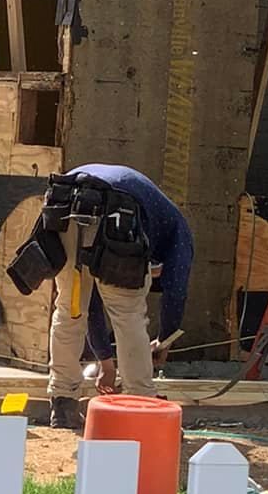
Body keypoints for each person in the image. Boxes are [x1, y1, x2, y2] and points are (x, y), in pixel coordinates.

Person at [45, 164, 193, 430]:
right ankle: (141, 404)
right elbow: (177, 289)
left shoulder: (156, 214)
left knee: (70, 308)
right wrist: (166, 340)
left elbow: (89, 303)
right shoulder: (178, 230)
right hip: (118, 213)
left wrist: (106, 361)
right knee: (128, 315)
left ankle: (63, 402)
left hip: (66, 202)